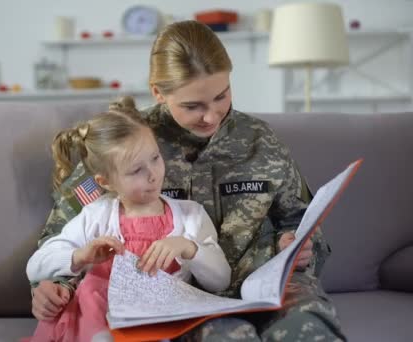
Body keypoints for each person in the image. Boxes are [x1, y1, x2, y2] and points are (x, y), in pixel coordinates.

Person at [31, 20, 345, 341]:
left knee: (310, 330)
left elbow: (302, 222)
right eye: (193, 106)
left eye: (222, 96)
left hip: (268, 285)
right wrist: (56, 285)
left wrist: (300, 245)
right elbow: (68, 234)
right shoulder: (128, 141)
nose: (211, 116)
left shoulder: (261, 141)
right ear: (158, 92)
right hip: (176, 300)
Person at [25, 100, 232, 342]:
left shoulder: (191, 216)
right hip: (101, 323)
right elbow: (35, 266)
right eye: (136, 171)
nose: (153, 174)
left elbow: (221, 281)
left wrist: (188, 248)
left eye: (155, 158)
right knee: (92, 290)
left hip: (160, 324)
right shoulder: (96, 215)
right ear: (106, 182)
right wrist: (81, 256)